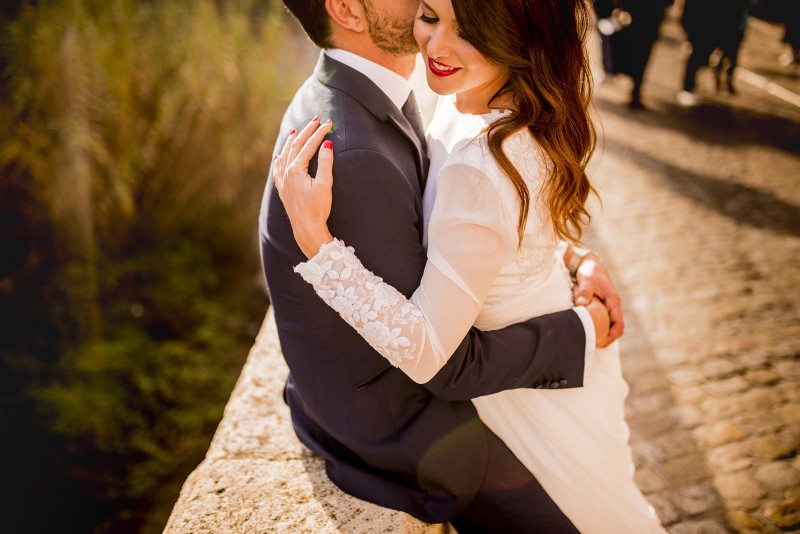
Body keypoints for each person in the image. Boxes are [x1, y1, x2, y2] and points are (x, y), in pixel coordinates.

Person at [272, 0, 663, 532]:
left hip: (534, 383)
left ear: (511, 40)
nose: (437, 45)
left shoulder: (474, 134)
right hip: (515, 371)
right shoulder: (463, 99)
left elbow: (505, 219)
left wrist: (318, 245)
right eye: (431, 17)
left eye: (470, 33)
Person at [593, 0, 673, 109]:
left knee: (641, 50)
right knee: (636, 47)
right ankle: (630, 83)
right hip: (638, 12)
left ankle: (635, 88)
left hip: (648, 12)